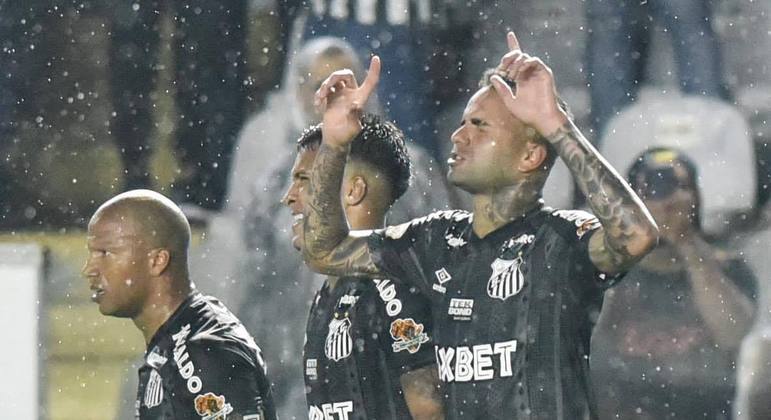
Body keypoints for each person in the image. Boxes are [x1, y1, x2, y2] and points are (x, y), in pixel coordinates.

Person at [301, 31, 659, 418]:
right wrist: (334, 145)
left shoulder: (561, 238)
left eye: (479, 125)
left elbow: (636, 236)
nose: (458, 135)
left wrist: (555, 124)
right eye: (462, 123)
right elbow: (324, 251)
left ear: (530, 155)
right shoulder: (434, 241)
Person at [193, 35, 451, 420]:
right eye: (321, 86)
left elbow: (441, 262)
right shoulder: (274, 179)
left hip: (390, 361)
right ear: (298, 92)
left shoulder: (410, 170)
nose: (336, 98)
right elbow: (250, 273)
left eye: (346, 85)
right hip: (295, 361)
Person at [283, 116, 443, 418]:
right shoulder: (328, 294)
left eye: (304, 180)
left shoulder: (393, 285)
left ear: (353, 190)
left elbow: (430, 409)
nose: (289, 197)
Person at [591, 148, 757, 419]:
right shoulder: (602, 267)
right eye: (652, 191)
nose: (667, 203)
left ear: (696, 198)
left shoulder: (729, 267)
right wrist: (627, 240)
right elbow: (582, 336)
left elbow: (733, 332)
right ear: (631, 202)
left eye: (680, 188)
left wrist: (687, 243)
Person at [82, 189, 276, 419]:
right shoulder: (175, 342)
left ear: (157, 261)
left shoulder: (205, 351)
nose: (89, 270)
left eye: (105, 253)